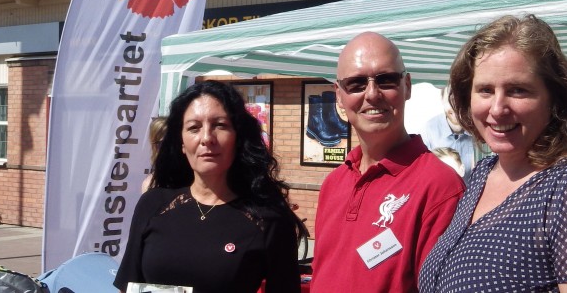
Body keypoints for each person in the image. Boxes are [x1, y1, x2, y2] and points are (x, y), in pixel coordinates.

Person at [418, 15, 567, 293]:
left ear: (553, 100)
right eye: (485, 90)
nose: (497, 108)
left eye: (518, 90)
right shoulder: (485, 172)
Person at [113, 81, 306, 293]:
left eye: (220, 125)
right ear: (182, 143)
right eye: (194, 128)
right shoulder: (153, 204)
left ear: (238, 137)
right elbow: (127, 285)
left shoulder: (268, 218)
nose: (206, 138)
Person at [311, 32, 464, 292]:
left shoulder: (440, 187)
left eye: (386, 80)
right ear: (339, 95)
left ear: (407, 86)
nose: (372, 94)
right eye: (356, 83)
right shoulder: (333, 183)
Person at [421, 87, 481, 177]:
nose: (456, 106)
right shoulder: (429, 129)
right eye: (451, 99)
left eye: (462, 99)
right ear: (442, 100)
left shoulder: (480, 129)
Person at [140, 116, 168, 191]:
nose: (170, 148)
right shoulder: (150, 184)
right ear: (155, 146)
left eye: (173, 141)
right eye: (162, 144)